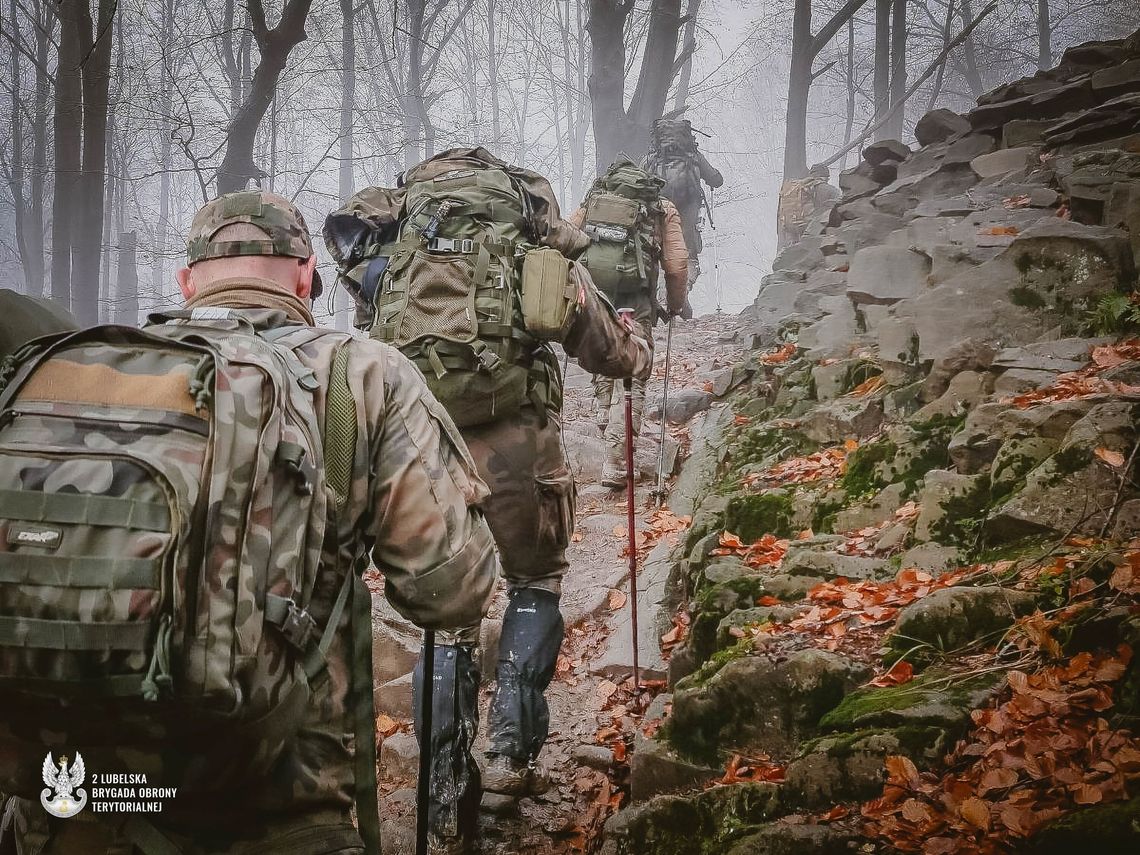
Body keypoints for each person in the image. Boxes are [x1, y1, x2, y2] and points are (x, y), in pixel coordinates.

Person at [0, 191, 498, 855]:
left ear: (187, 282)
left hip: (68, 800)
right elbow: (449, 591)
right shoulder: (363, 373)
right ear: (303, 277)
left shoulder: (83, 372)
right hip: (276, 807)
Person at [329, 147, 652, 855]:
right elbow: (601, 343)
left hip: (421, 451)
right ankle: (511, 752)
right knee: (534, 580)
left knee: (446, 615)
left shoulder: (394, 260)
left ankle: (444, 795)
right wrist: (640, 354)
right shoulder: (531, 253)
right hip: (518, 448)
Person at [567, 158, 689, 488]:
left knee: (603, 358)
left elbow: (566, 242)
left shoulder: (594, 202)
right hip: (636, 304)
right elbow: (677, 266)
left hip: (595, 299)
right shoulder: (661, 208)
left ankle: (605, 418)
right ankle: (617, 463)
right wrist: (676, 306)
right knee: (634, 375)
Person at [645, 118, 723, 302]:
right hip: (689, 207)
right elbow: (716, 180)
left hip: (660, 208)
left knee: (660, 246)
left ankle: (662, 291)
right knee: (688, 249)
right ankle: (684, 286)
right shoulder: (693, 156)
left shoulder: (653, 157)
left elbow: (639, 179)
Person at [776, 163, 839, 250]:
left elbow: (783, 219)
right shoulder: (832, 191)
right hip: (820, 239)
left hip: (797, 240)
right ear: (827, 177)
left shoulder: (797, 190)